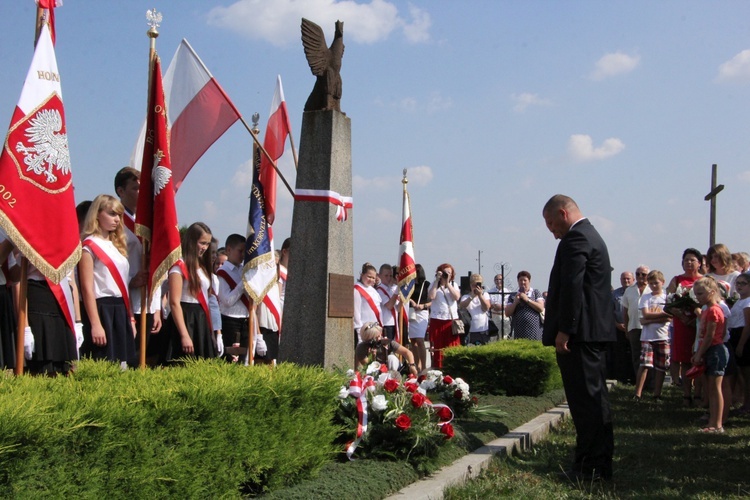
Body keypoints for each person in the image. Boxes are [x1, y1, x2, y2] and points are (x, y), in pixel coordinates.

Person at [542, 194, 614, 481]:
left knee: (588, 404)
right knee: (591, 402)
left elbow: (572, 286)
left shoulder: (577, 239)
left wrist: (566, 329)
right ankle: (591, 463)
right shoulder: (588, 235)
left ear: (563, 213)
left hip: (580, 335)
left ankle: (592, 469)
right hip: (588, 333)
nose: (551, 230)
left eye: (550, 223)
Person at [78, 194, 137, 367]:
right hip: (101, 308)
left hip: (120, 308)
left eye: (119, 215)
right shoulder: (89, 245)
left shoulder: (117, 245)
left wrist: (130, 319)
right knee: (103, 364)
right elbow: (86, 288)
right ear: (97, 214)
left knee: (122, 365)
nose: (117, 219)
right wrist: (96, 323)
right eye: (112, 214)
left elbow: (123, 286)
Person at [114, 167, 162, 364]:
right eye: (135, 189)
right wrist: (130, 281)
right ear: (121, 191)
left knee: (144, 358)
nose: (141, 194)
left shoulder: (147, 221)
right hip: (125, 299)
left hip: (147, 301)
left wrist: (157, 307)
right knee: (126, 358)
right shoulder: (115, 221)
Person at [163, 222, 218, 361]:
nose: (205, 248)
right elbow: (174, 303)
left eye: (207, 244)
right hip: (185, 318)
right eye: (202, 243)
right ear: (192, 241)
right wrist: (184, 335)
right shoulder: (179, 267)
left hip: (201, 319)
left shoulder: (203, 267)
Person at [691, 276, 729, 433]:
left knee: (715, 388)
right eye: (696, 294)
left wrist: (699, 353)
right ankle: (712, 421)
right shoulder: (707, 310)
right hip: (709, 350)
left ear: (712, 292)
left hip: (715, 350)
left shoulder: (714, 310)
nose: (697, 297)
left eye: (700, 294)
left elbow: (710, 336)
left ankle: (717, 423)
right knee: (711, 389)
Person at [667, 249, 703, 405]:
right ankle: (686, 395)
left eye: (692, 260)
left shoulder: (704, 280)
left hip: (699, 324)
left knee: (699, 359)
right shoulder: (677, 280)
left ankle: (699, 395)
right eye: (686, 260)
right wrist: (679, 313)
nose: (689, 263)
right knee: (685, 360)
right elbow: (667, 303)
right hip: (681, 325)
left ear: (699, 263)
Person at [633, 270, 671, 401]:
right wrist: (662, 316)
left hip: (663, 336)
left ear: (662, 283)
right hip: (647, 337)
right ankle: (637, 393)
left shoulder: (666, 298)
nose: (654, 286)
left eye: (656, 283)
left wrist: (649, 320)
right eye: (651, 283)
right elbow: (646, 314)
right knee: (644, 364)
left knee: (661, 366)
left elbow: (670, 316)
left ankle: (657, 394)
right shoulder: (646, 297)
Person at [216, 234, 248, 362]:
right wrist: (242, 283)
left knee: (243, 359)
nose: (243, 255)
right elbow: (227, 300)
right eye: (240, 251)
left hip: (245, 319)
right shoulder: (223, 271)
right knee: (231, 359)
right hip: (230, 321)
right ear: (229, 250)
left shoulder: (243, 270)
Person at [427, 263, 461, 369]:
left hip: (451, 321)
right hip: (437, 320)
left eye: (449, 273)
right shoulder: (434, 285)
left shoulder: (454, 284)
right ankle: (438, 368)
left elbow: (456, 297)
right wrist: (437, 280)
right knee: (438, 346)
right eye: (445, 272)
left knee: (452, 346)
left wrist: (448, 283)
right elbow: (431, 296)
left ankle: (452, 368)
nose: (447, 274)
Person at [621, 266, 651, 383]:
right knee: (636, 355)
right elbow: (625, 311)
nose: (640, 277)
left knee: (649, 356)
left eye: (643, 274)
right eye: (637, 274)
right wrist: (627, 328)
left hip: (649, 328)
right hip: (634, 326)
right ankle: (638, 382)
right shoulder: (629, 290)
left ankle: (650, 383)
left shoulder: (652, 288)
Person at [504, 270, 545, 341]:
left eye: (525, 280)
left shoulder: (535, 292)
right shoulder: (513, 296)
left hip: (534, 329)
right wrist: (515, 303)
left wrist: (527, 300)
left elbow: (541, 308)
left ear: (529, 281)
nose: (522, 282)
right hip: (519, 330)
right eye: (520, 280)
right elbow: (507, 313)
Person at [611, 271, 635, 383]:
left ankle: (634, 377)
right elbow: (609, 311)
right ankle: (621, 378)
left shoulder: (637, 292)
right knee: (619, 354)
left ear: (633, 279)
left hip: (634, 328)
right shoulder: (614, 294)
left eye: (628, 279)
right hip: (618, 328)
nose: (626, 281)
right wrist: (616, 324)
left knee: (634, 353)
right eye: (624, 279)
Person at [732, 272, 750, 414]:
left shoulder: (748, 302)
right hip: (735, 334)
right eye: (737, 283)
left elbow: (748, 325)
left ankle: (747, 404)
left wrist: (741, 344)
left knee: (746, 373)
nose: (739, 286)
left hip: (743, 336)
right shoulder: (739, 300)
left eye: (743, 283)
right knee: (741, 372)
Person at [408, 264, 430, 373]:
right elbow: (405, 296)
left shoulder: (426, 285)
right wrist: (411, 302)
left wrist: (423, 305)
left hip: (422, 313)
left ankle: (424, 365)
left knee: (420, 340)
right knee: (413, 340)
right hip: (412, 313)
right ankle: (417, 365)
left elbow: (432, 300)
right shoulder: (409, 284)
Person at [353, 262, 381, 344]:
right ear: (362, 275)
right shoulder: (356, 289)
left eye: (373, 278)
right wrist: (359, 333)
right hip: (364, 330)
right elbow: (356, 313)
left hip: (375, 328)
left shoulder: (373, 290)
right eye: (369, 276)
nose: (371, 279)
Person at [459, 273, 491, 345]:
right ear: (470, 285)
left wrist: (480, 295)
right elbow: (462, 305)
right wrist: (472, 296)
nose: (475, 287)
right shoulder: (466, 297)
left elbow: (486, 307)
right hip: (470, 330)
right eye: (473, 285)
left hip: (483, 330)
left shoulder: (485, 295)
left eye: (477, 285)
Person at [376, 263, 400, 341]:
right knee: (387, 349)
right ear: (379, 276)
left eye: (390, 276)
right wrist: (397, 291)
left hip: (394, 322)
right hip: (386, 324)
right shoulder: (379, 290)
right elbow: (389, 306)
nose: (389, 278)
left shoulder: (391, 289)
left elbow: (398, 308)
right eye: (386, 276)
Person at [488, 273, 510, 339]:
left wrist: (502, 307)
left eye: (500, 279)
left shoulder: (508, 292)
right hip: (494, 316)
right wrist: (493, 306)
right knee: (494, 336)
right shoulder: (490, 291)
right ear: (494, 281)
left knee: (504, 335)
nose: (498, 281)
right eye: (496, 279)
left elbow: (510, 304)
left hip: (504, 315)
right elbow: (487, 303)